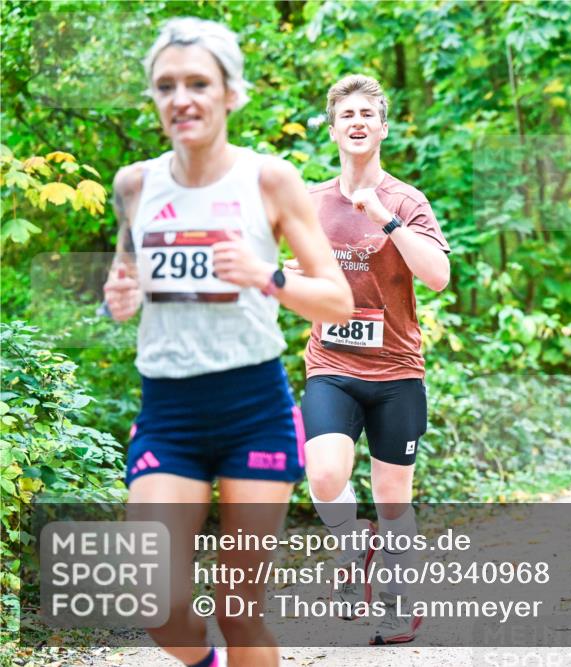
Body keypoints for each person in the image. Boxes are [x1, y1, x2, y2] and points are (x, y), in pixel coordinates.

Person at [101, 18, 353, 667]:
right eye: (166, 85)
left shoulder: (269, 180)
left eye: (197, 83)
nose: (181, 97)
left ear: (229, 94)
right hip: (168, 411)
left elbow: (337, 298)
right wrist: (118, 299)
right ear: (153, 99)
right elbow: (123, 283)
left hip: (252, 408)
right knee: (152, 598)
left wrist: (265, 276)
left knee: (238, 608)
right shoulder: (135, 184)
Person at [291, 74, 450, 645]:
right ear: (333, 128)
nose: (357, 121)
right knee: (326, 472)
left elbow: (436, 277)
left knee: (392, 498)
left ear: (382, 128)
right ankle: (350, 543)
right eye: (346, 114)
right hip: (332, 363)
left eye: (367, 114)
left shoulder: (407, 201)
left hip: (396, 373)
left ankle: (397, 604)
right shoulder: (308, 203)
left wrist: (383, 215)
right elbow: (299, 276)